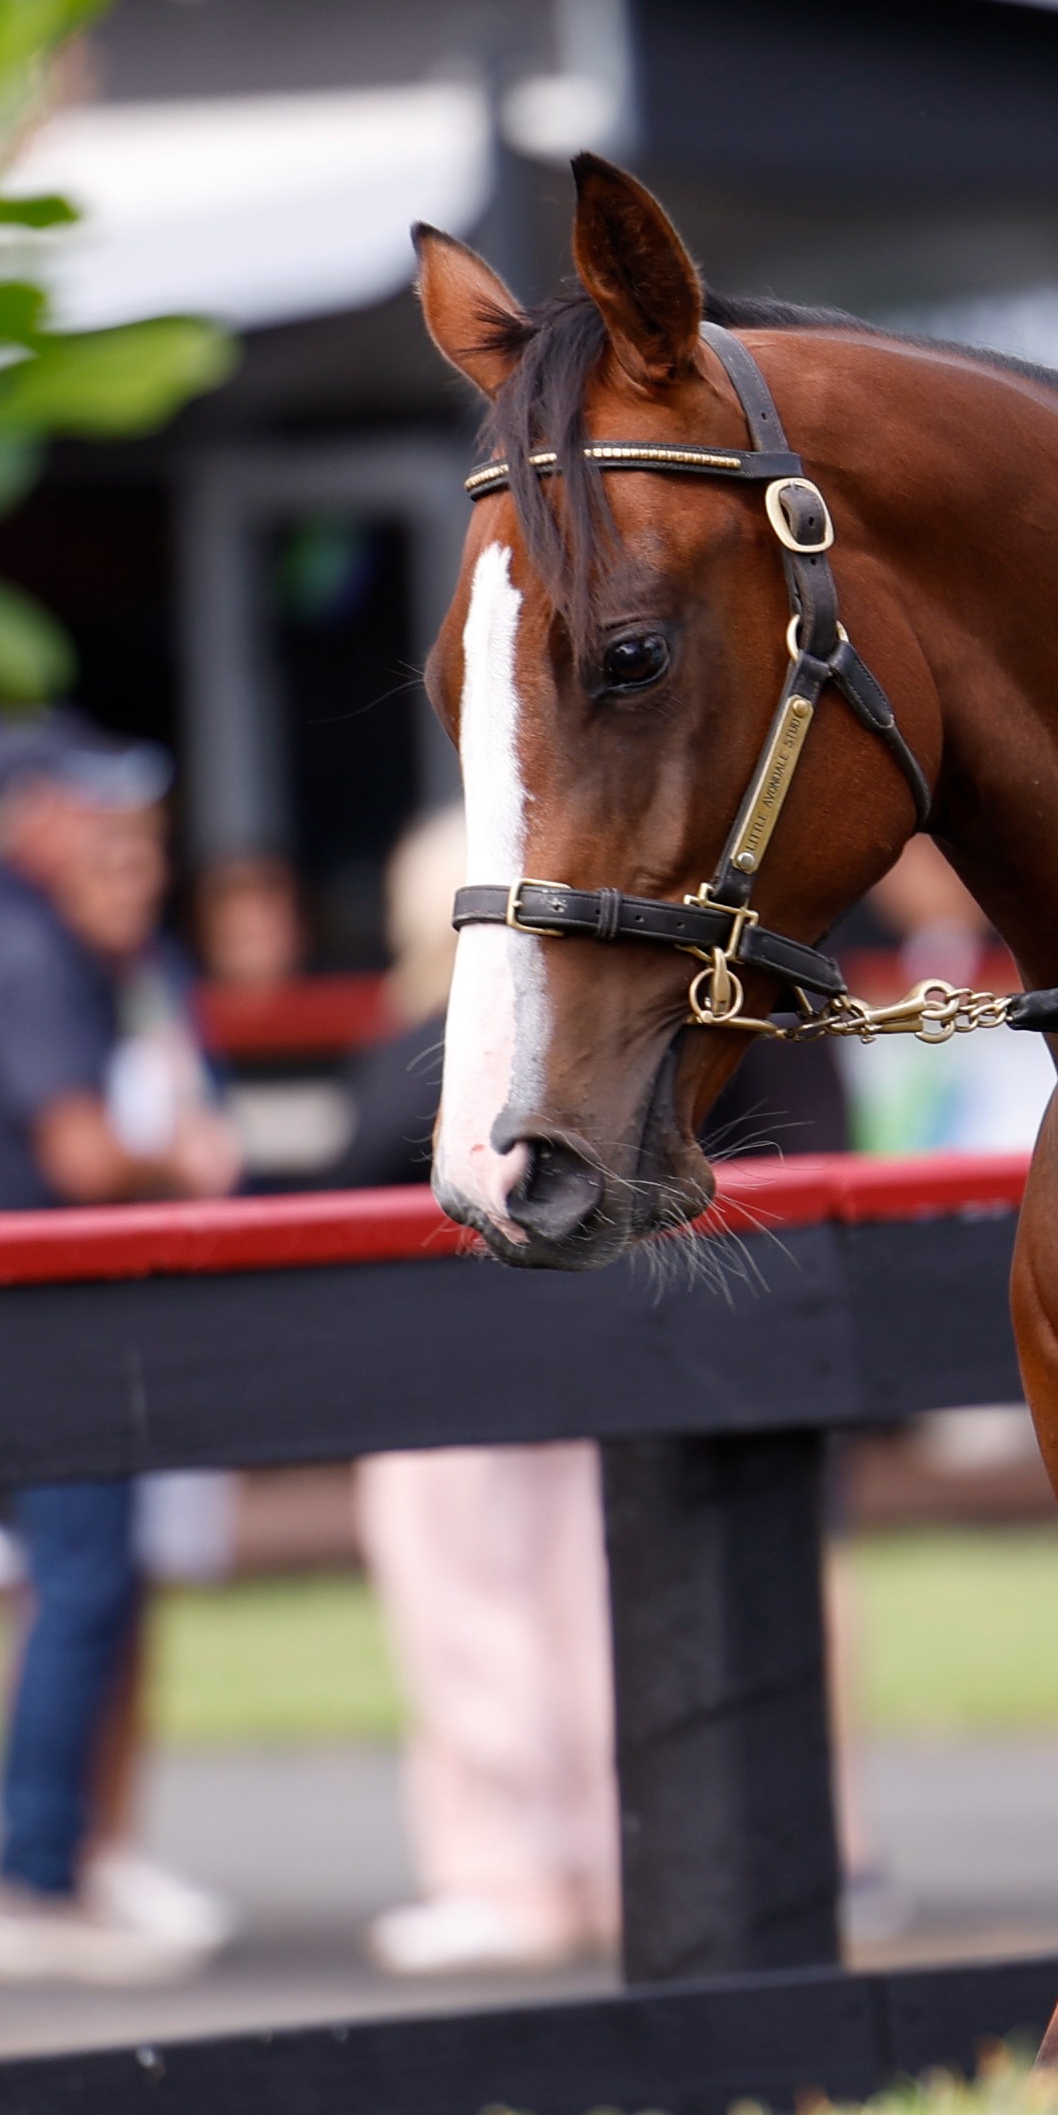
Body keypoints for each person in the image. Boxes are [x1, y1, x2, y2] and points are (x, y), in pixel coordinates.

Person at [334, 810, 883, 1969]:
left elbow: (369, 1162)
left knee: (521, 1620)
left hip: (524, 1358)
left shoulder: (486, 1025)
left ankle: (534, 1875)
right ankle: (731, 1858)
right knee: (654, 1604)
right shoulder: (710, 980)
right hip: (660, 1337)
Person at [0, 707, 249, 1985]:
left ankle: (70, 1864)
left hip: (8, 1317)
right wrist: (185, 1164)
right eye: (93, 813)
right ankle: (34, 1880)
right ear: (33, 813)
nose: (120, 839)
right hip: (48, 1322)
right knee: (80, 1591)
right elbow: (83, 1157)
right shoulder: (19, 944)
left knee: (72, 1594)